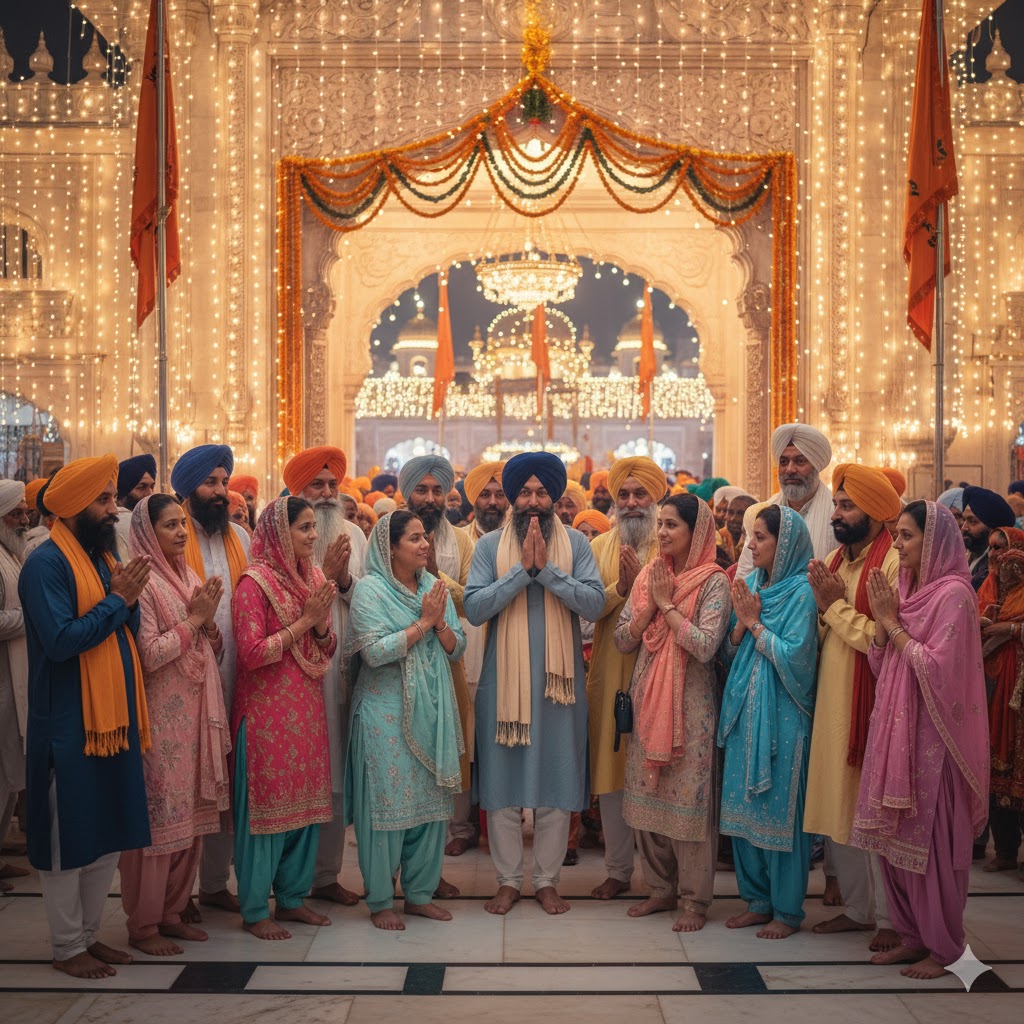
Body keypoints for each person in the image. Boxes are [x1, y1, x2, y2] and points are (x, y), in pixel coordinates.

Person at [20, 455, 153, 978]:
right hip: (68, 721)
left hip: (112, 718)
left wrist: (128, 599)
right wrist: (120, 600)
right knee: (65, 839)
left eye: (112, 498)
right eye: (103, 500)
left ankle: (90, 936)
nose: (113, 509)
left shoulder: (100, 555)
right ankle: (66, 944)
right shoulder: (45, 564)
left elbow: (123, 624)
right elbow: (60, 641)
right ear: (74, 506)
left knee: (106, 833)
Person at [853, 500, 989, 979]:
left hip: (936, 738)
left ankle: (946, 947)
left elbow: (938, 669)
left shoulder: (955, 595)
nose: (900, 545)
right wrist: (881, 626)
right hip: (897, 731)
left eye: (908, 536)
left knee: (929, 844)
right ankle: (913, 936)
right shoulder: (908, 588)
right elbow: (882, 664)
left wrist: (890, 623)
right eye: (898, 536)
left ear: (934, 541)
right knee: (895, 841)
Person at [465, 451, 604, 915]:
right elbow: (476, 608)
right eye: (524, 492)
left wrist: (547, 572)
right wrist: (520, 573)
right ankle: (506, 881)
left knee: (555, 782)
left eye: (541, 492)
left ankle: (545, 881)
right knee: (502, 787)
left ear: (554, 497)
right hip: (502, 686)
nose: (532, 501)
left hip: (558, 687)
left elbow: (593, 604)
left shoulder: (577, 547)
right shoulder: (488, 548)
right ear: (511, 497)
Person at [120, 494, 231, 956]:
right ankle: (143, 925)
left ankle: (172, 911)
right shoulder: (142, 583)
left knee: (191, 818)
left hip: (197, 716)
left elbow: (210, 649)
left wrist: (208, 630)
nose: (182, 532)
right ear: (148, 533)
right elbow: (149, 655)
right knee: (160, 821)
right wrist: (196, 621)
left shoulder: (187, 575)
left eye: (183, 523)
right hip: (162, 721)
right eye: (170, 525)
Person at [614, 494, 731, 931]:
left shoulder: (713, 582)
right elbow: (622, 640)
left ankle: (694, 901)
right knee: (649, 794)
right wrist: (649, 608)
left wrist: (666, 606)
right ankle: (659, 890)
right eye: (659, 524)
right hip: (648, 701)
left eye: (671, 526)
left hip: (692, 706)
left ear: (695, 531)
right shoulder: (649, 574)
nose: (661, 532)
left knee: (689, 802)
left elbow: (704, 646)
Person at [346, 510, 466, 929]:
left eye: (425, 538)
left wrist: (440, 629)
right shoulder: (370, 592)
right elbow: (374, 653)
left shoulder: (434, 585)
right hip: (383, 715)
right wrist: (425, 623)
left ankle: (418, 894)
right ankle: (380, 900)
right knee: (385, 810)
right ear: (390, 547)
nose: (424, 545)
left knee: (430, 810)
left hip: (433, 712)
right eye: (414, 538)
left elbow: (457, 646)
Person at [804, 465, 902, 951]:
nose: (838, 515)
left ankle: (888, 917)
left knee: (873, 812)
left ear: (878, 513)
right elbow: (823, 626)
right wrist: (823, 609)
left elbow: (882, 640)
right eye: (837, 505)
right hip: (833, 699)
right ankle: (859, 911)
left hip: (874, 704)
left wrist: (833, 608)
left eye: (848, 506)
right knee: (840, 806)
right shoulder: (838, 560)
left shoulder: (891, 564)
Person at [230, 496, 337, 940]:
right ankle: (256, 910)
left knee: (306, 810)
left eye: (314, 527)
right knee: (266, 814)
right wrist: (303, 622)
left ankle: (292, 900)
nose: (314, 535)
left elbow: (324, 648)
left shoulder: (312, 576)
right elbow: (251, 654)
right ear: (278, 533)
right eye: (305, 528)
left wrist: (319, 626)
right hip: (265, 715)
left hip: (306, 709)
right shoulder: (252, 585)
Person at [719, 504, 818, 939]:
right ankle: (757, 900)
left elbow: (799, 659)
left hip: (784, 716)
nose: (750, 544)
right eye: (749, 536)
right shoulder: (753, 583)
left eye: (760, 536)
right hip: (745, 711)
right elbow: (728, 650)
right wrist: (740, 629)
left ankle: (787, 910)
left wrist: (754, 626)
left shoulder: (801, 592)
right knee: (743, 809)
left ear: (786, 544)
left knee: (782, 814)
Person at [283, 446, 368, 907]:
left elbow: (374, 600)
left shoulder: (354, 532)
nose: (328, 492)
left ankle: (327, 874)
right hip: (294, 671)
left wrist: (344, 582)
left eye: (332, 484)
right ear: (297, 491)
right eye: (317, 485)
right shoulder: (279, 536)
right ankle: (290, 876)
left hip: (345, 669)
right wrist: (324, 582)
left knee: (336, 774)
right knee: (300, 773)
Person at [171, 444, 250, 914]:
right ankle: (177, 894)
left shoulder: (239, 535)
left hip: (237, 671)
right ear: (188, 489)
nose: (221, 492)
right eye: (211, 483)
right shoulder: (172, 535)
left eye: (224, 482)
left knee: (228, 786)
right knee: (191, 785)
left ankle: (216, 885)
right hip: (186, 676)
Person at [586, 457, 667, 899]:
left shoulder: (673, 542)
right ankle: (618, 871)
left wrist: (643, 592)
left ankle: (660, 876)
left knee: (657, 772)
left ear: (656, 499)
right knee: (613, 772)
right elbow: (584, 607)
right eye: (625, 495)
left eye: (641, 494)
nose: (632, 503)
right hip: (614, 675)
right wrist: (623, 588)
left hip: (662, 677)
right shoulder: (599, 547)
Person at [399, 454, 476, 897]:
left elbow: (470, 600)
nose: (429, 499)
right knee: (401, 769)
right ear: (406, 492)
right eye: (421, 490)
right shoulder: (385, 532)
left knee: (438, 772)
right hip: (398, 668)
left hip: (447, 663)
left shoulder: (460, 541)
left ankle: (430, 872)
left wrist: (435, 579)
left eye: (437, 491)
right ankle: (391, 872)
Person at [446, 461, 508, 857]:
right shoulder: (457, 540)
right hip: (462, 651)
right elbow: (468, 596)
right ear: (472, 499)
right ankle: (461, 826)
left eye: (499, 493)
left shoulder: (518, 540)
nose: (491, 501)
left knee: (499, 743)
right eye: (484, 494)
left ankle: (502, 823)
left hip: (505, 655)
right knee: (461, 744)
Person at [976, 526, 1024, 874]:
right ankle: (1005, 850)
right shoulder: (987, 588)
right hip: (990, 686)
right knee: (993, 766)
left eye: (1002, 549)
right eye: (992, 549)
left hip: (1019, 693)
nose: (995, 555)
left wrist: (1010, 630)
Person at [735, 423, 835, 581]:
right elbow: (745, 573)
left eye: (800, 461)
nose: (790, 469)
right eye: (783, 462)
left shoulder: (835, 515)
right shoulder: (765, 511)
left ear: (816, 466)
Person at [0, 482, 30, 893]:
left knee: (9, 772)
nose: (25, 521)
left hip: (15, 678)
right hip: (2, 682)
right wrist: (30, 617)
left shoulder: (12, 555)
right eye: (16, 515)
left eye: (25, 512)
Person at [961, 485, 1015, 593]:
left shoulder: (998, 568)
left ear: (993, 529)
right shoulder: (969, 555)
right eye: (964, 520)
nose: (964, 527)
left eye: (972, 521)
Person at [114, 454, 158, 562]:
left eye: (152, 487)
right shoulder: (118, 523)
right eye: (141, 487)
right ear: (123, 493)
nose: (149, 494)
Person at [724, 492, 757, 557]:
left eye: (740, 514)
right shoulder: (721, 540)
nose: (733, 518)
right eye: (730, 512)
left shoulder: (755, 549)